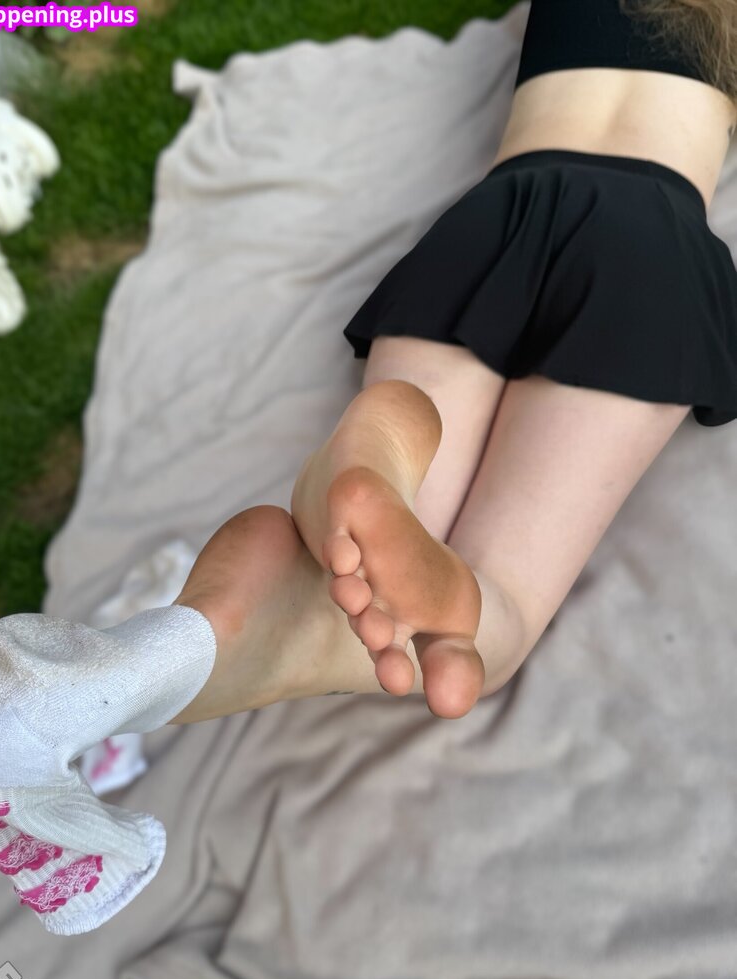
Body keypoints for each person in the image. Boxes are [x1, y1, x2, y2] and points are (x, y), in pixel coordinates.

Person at [172, 0, 737, 723]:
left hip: (498, 217)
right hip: (648, 244)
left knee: (372, 555)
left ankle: (385, 454)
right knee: (495, 615)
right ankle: (327, 629)